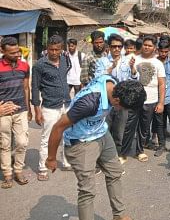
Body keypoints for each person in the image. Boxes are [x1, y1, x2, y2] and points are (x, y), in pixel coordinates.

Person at [45, 76, 146, 220]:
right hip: (80, 142)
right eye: (123, 109)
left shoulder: (114, 84)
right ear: (117, 101)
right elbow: (58, 127)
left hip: (101, 133)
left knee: (115, 173)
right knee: (87, 190)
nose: (122, 111)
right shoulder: (89, 103)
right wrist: (51, 158)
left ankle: (119, 215)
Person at [32, 35, 72, 181]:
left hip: (66, 104)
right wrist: (37, 111)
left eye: (57, 49)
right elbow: (35, 88)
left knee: (67, 135)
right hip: (49, 107)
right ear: (47, 48)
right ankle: (42, 168)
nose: (54, 52)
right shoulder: (39, 65)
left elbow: (65, 77)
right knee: (47, 138)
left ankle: (66, 161)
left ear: (62, 49)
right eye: (51, 49)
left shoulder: (64, 60)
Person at [120, 35, 165, 162]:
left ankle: (139, 151)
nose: (147, 47)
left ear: (154, 48)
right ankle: (123, 153)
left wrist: (161, 102)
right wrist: (132, 68)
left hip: (151, 100)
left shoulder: (158, 63)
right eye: (145, 44)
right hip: (134, 100)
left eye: (150, 45)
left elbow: (162, 84)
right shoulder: (133, 59)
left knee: (144, 129)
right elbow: (127, 79)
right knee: (129, 127)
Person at [95, 34, 138, 155]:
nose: (117, 49)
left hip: (122, 102)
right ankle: (101, 158)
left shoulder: (127, 61)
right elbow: (97, 79)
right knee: (104, 131)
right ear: (109, 47)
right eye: (114, 46)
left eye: (119, 46)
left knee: (119, 133)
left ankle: (115, 158)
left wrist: (133, 68)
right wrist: (110, 68)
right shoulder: (102, 61)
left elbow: (134, 79)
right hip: (106, 102)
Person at [0, 36, 31, 189]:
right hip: (3, 113)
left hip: (21, 111)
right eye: (12, 53)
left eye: (18, 51)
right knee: (4, 144)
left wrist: (29, 109)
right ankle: (7, 174)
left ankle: (18, 169)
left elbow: (26, 88)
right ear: (2, 51)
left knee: (22, 142)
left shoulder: (24, 66)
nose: (17, 55)